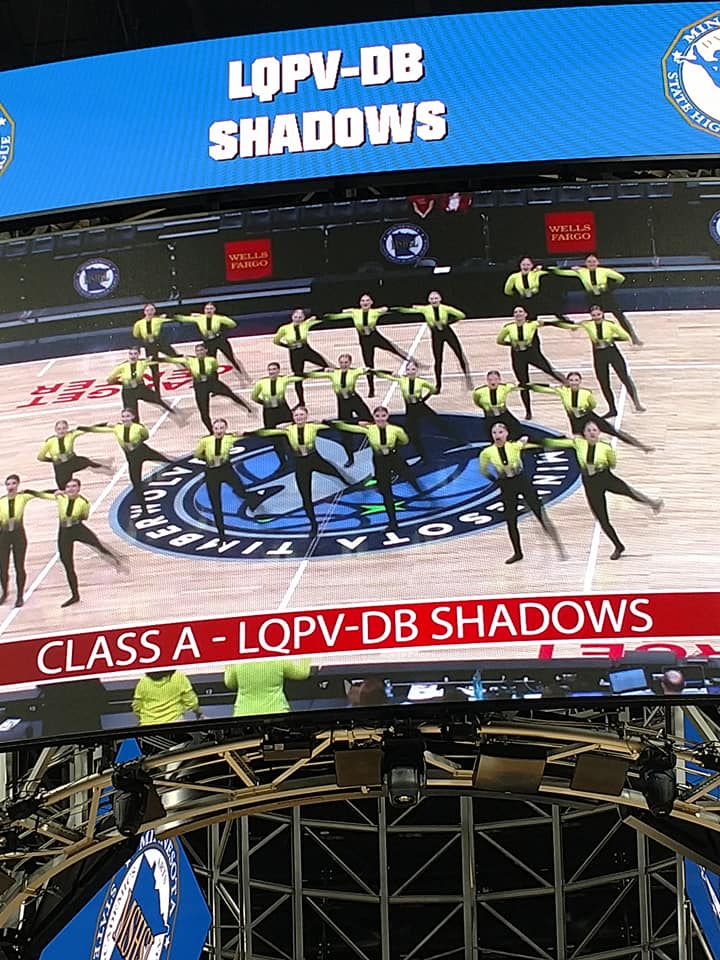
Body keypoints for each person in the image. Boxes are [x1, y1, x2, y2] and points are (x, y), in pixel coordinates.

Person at [542, 420, 662, 560]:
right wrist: (535, 442)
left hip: (605, 477)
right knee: (602, 519)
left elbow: (612, 463)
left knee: (629, 491)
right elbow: (554, 443)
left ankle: (653, 503)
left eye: (594, 430)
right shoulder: (578, 443)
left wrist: (601, 465)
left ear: (599, 432)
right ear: (584, 433)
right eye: (589, 430)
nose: (592, 433)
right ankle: (618, 546)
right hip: (590, 484)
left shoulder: (605, 447)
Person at [255, 406, 348, 538]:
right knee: (306, 496)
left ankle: (346, 481)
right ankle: (313, 525)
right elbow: (266, 432)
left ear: (306, 416)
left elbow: (335, 425)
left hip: (314, 459)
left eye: (301, 415)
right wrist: (246, 434)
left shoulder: (313, 426)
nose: (299, 417)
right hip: (300, 465)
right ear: (293, 417)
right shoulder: (287, 429)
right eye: (296, 415)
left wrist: (324, 421)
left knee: (334, 471)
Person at [479, 421, 565, 565]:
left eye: (500, 432)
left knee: (539, 512)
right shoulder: (487, 453)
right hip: (506, 485)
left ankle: (559, 546)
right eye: (494, 433)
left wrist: (527, 439)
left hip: (521, 481)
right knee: (511, 520)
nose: (497, 435)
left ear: (506, 434)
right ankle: (517, 553)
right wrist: (497, 480)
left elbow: (525, 439)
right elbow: (483, 470)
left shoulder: (514, 446)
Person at [332, 406, 422, 533]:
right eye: (377, 416)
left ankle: (419, 490)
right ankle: (393, 522)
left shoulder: (396, 429)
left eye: (383, 416)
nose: (380, 419)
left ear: (387, 416)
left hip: (394, 457)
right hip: (380, 462)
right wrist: (331, 423)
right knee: (386, 492)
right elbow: (346, 427)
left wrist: (393, 447)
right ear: (373, 417)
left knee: (409, 475)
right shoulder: (369, 429)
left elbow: (405, 441)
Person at [528, 372, 652, 451]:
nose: (574, 382)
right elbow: (543, 388)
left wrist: (584, 411)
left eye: (576, 380)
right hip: (576, 423)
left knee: (615, 432)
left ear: (580, 382)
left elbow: (592, 405)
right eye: (571, 380)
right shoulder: (562, 391)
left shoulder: (586, 393)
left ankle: (641, 446)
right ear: (568, 382)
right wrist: (528, 385)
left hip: (589, 418)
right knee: (580, 447)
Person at [51, 477, 123, 607]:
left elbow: (84, 517)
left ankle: (116, 560)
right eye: (68, 487)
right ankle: (75, 595)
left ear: (79, 488)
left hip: (78, 529)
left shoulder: (83, 502)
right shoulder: (60, 497)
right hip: (64, 533)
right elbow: (45, 494)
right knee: (67, 564)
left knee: (97, 544)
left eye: (74, 486)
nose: (70, 489)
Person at [82, 409, 173, 510]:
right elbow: (100, 430)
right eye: (123, 416)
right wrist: (84, 428)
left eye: (128, 416)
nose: (125, 419)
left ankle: (179, 464)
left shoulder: (139, 427)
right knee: (136, 483)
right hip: (132, 458)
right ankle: (144, 507)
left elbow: (145, 436)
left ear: (133, 417)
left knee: (164, 459)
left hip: (142, 450)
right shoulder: (117, 428)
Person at [374, 359, 465, 460]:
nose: (410, 372)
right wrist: (380, 371)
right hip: (410, 409)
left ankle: (459, 440)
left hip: (420, 406)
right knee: (413, 433)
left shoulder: (421, 382)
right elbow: (382, 375)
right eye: (408, 369)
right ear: (406, 371)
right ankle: (423, 455)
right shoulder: (401, 380)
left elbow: (434, 390)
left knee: (438, 422)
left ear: (417, 370)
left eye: (413, 369)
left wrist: (424, 398)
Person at [565, 305, 645, 418]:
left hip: (612, 352)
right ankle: (612, 409)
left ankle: (637, 404)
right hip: (599, 355)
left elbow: (625, 336)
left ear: (602, 314)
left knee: (624, 378)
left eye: (598, 314)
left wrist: (612, 339)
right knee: (604, 383)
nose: (596, 317)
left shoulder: (610, 324)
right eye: (593, 315)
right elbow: (573, 326)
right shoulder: (587, 324)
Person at [323, 295, 410, 397]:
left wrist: (387, 309)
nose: (365, 302)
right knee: (369, 365)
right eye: (363, 301)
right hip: (364, 341)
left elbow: (387, 309)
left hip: (375, 336)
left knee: (394, 350)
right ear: (360, 303)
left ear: (371, 302)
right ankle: (371, 388)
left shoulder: (375, 311)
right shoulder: (355, 312)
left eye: (367, 300)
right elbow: (339, 313)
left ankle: (411, 364)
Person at [193, 418, 263, 543]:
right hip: (212, 473)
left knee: (241, 490)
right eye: (216, 428)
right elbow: (197, 454)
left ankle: (255, 501)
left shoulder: (229, 438)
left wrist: (246, 433)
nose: (219, 431)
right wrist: (208, 460)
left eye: (221, 428)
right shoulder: (205, 441)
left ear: (226, 429)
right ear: (212, 429)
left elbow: (246, 436)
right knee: (216, 504)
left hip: (226, 470)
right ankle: (221, 535)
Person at [550, 253, 642, 344]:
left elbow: (621, 278)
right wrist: (549, 269)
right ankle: (602, 340)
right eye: (589, 261)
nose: (591, 263)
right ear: (585, 263)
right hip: (592, 298)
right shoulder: (581, 272)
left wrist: (610, 288)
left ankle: (634, 338)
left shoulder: (604, 271)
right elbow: (561, 272)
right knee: (598, 320)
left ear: (598, 262)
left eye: (593, 261)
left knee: (620, 316)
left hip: (605, 297)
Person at [496, 305, 566, 419]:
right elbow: (499, 340)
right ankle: (528, 411)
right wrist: (511, 344)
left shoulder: (532, 324)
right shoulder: (508, 327)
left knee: (548, 369)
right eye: (516, 312)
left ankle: (566, 383)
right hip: (518, 356)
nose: (518, 314)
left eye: (520, 312)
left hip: (531, 353)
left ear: (525, 314)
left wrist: (563, 322)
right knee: (523, 384)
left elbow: (548, 323)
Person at [163, 343, 251, 433]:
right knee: (204, 412)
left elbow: (215, 369)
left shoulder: (211, 360)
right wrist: (156, 359)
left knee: (230, 393)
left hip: (212, 383)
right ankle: (211, 432)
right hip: (200, 387)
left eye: (201, 350)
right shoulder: (190, 360)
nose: (199, 352)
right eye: (197, 351)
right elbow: (172, 359)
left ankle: (247, 408)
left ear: (206, 350)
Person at [393, 291, 471, 392]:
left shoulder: (445, 308)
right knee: (438, 360)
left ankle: (467, 378)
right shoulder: (425, 309)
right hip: (436, 335)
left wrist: (450, 322)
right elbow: (408, 310)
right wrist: (394, 309)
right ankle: (438, 385)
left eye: (436, 298)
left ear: (440, 299)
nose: (434, 300)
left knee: (459, 354)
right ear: (429, 300)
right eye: (432, 299)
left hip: (447, 332)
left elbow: (461, 315)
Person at [306, 354, 373, 466]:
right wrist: (323, 369)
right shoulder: (333, 373)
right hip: (342, 403)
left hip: (355, 400)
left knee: (370, 420)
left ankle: (375, 443)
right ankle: (350, 457)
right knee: (344, 430)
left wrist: (371, 370)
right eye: (341, 362)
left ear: (350, 363)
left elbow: (371, 371)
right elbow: (313, 374)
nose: (343, 365)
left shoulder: (355, 371)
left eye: (346, 362)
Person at [0, 475, 55, 607]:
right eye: (8, 484)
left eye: (13, 483)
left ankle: (20, 596)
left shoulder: (23, 496)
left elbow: (40, 494)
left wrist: (58, 492)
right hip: (4, 537)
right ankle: (5, 592)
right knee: (2, 567)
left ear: (18, 484)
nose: (11, 486)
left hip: (18, 536)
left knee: (19, 566)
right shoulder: (1, 501)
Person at [250, 362, 304, 468]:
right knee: (274, 438)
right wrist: (264, 403)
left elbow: (298, 377)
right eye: (270, 369)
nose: (272, 372)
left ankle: (297, 457)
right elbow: (253, 397)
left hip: (282, 410)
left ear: (278, 371)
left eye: (274, 369)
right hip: (269, 412)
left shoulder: (283, 379)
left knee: (291, 434)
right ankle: (282, 462)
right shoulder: (261, 382)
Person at [175, 301, 248, 378]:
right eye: (207, 309)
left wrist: (222, 326)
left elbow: (232, 324)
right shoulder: (199, 318)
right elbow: (183, 318)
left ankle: (243, 375)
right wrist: (171, 316)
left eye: (211, 308)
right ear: (204, 310)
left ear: (214, 310)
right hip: (208, 343)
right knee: (211, 361)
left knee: (231, 358)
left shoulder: (218, 318)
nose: (208, 310)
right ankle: (214, 379)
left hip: (220, 340)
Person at [272, 308, 330, 404]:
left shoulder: (306, 324)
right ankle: (301, 401)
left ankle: (307, 375)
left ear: (303, 318)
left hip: (306, 349)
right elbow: (275, 341)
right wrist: (287, 346)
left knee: (325, 366)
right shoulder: (284, 328)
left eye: (300, 317)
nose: (298, 319)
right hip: (295, 353)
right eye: (296, 317)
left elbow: (320, 318)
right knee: (297, 378)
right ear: (292, 317)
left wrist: (315, 317)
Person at [36, 419, 113, 489]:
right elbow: (40, 457)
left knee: (88, 463)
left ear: (67, 428)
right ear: (55, 430)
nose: (61, 431)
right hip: (61, 467)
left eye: (64, 428)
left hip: (72, 461)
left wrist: (102, 425)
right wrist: (53, 460)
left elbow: (85, 430)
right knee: (63, 488)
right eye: (59, 429)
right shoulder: (50, 441)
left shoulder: (71, 435)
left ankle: (108, 469)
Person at [106, 346, 178, 420]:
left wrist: (175, 359)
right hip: (128, 392)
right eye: (131, 354)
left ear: (138, 355)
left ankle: (174, 413)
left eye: (135, 354)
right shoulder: (122, 366)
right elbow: (109, 379)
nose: (133, 356)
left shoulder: (142, 363)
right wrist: (121, 383)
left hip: (140, 388)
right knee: (132, 413)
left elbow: (157, 360)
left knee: (156, 398)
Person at [224, 659, 312, 716]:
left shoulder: (239, 662)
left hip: (244, 715)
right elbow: (302, 673)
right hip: (276, 713)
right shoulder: (278, 660)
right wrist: (307, 652)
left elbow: (230, 683)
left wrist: (228, 662)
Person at [503, 255, 569, 322]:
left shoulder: (535, 273)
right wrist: (517, 295)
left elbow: (551, 270)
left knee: (551, 305)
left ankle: (563, 319)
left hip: (535, 297)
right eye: (523, 264)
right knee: (528, 315)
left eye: (528, 264)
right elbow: (507, 290)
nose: (525, 267)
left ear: (532, 265)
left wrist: (542, 267)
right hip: (523, 299)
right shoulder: (514, 276)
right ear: (520, 265)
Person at [131, 303, 179, 395]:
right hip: (149, 346)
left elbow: (172, 317)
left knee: (177, 356)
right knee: (154, 369)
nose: (149, 312)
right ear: (144, 312)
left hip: (160, 342)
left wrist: (166, 315)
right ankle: (157, 393)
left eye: (152, 310)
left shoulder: (158, 319)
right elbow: (136, 335)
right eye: (147, 310)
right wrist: (138, 347)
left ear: (155, 311)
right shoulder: (139, 323)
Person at [132, 670, 204, 726]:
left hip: (148, 727)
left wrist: (141, 720)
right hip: (174, 725)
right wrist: (199, 713)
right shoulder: (178, 677)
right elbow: (191, 702)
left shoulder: (143, 681)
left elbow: (136, 707)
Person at [472, 371, 525, 440]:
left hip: (503, 414)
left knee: (516, 428)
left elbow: (515, 387)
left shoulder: (504, 387)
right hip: (490, 417)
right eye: (490, 380)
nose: (493, 382)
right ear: (487, 380)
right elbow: (477, 401)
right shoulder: (479, 391)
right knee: (492, 435)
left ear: (499, 380)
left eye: (495, 379)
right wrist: (486, 408)